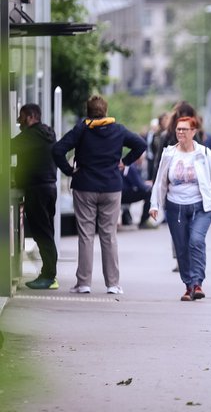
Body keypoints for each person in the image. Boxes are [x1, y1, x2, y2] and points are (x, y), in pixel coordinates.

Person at [52, 95, 146, 294]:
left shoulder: (82, 129)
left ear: (88, 110)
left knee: (86, 235)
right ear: (105, 110)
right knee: (109, 236)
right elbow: (140, 144)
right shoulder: (118, 129)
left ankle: (84, 283)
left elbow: (58, 149)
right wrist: (125, 161)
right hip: (111, 188)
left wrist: (69, 171)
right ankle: (112, 284)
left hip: (85, 186)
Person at [149, 114, 211, 302]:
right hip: (176, 207)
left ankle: (198, 283)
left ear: (193, 132)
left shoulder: (205, 154)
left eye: (184, 129)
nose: (180, 132)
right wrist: (154, 204)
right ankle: (188, 285)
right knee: (182, 247)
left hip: (201, 207)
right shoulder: (169, 154)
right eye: (178, 129)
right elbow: (160, 181)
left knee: (196, 241)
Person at [10, 104, 59, 290]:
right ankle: (49, 274)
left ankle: (48, 276)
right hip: (48, 188)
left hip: (37, 190)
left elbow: (9, 147)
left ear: (30, 116)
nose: (18, 121)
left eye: (21, 116)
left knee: (42, 233)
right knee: (46, 232)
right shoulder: (47, 133)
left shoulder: (31, 135)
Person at [120, 155, 153, 229]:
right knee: (149, 193)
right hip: (124, 194)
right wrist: (149, 185)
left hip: (120, 192)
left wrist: (144, 183)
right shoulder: (131, 167)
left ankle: (126, 217)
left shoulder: (128, 165)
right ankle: (144, 220)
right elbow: (140, 186)